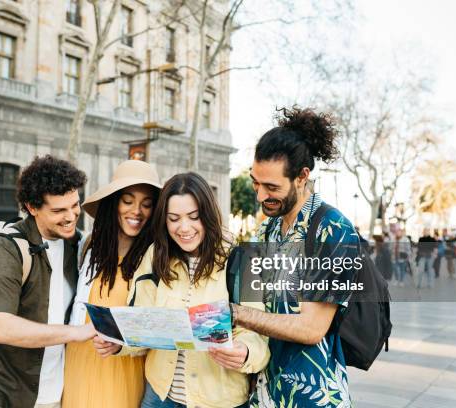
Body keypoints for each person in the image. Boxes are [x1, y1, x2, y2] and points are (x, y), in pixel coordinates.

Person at [94, 172, 270, 408]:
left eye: (193, 217)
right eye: (173, 218)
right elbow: (141, 322)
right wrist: (120, 343)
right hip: (159, 397)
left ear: (207, 215)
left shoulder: (243, 260)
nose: (184, 228)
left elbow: (258, 335)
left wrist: (245, 352)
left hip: (219, 401)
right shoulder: (155, 255)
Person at [230, 107, 360, 408]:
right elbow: (253, 304)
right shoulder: (265, 229)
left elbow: (311, 329)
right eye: (255, 183)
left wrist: (234, 313)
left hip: (312, 396)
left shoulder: (333, 229)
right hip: (263, 393)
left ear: (302, 177)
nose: (260, 196)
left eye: (272, 187)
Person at [0, 155, 96, 408]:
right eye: (58, 210)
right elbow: (2, 328)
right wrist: (77, 333)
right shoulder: (6, 249)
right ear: (32, 207)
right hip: (2, 391)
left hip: (53, 390)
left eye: (75, 205)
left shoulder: (77, 244)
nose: (71, 216)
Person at [62, 160, 161, 408]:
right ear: (113, 202)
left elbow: (155, 325)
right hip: (79, 361)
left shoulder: (155, 258)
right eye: (128, 201)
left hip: (123, 367)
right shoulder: (87, 248)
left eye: (146, 204)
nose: (136, 211)